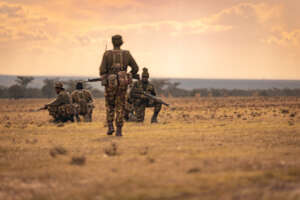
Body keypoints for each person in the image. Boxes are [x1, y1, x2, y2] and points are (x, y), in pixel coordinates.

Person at [99, 34, 139, 136]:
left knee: (110, 105)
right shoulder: (126, 54)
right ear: (121, 42)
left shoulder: (107, 54)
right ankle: (119, 130)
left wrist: (107, 77)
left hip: (110, 85)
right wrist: (128, 75)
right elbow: (135, 68)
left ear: (112, 42)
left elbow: (102, 70)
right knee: (120, 105)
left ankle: (110, 126)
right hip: (122, 84)